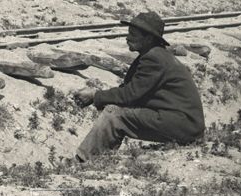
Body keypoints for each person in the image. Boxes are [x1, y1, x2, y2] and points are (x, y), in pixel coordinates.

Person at [73, 11, 205, 162]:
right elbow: (129, 91)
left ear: (148, 38)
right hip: (184, 123)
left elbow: (129, 95)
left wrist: (95, 96)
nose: (128, 38)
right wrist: (98, 97)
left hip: (185, 126)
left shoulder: (154, 58)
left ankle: (83, 161)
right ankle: (97, 158)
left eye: (133, 35)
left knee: (114, 115)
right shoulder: (154, 54)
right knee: (115, 111)